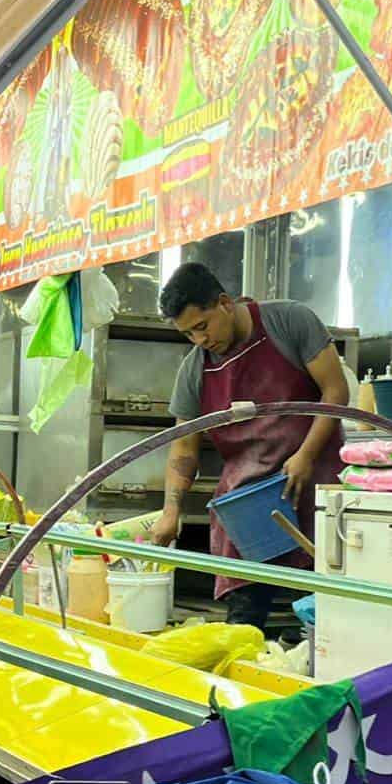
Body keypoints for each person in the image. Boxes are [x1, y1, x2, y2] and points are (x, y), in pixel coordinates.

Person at [151, 262, 347, 629]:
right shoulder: (195, 370)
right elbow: (183, 449)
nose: (200, 340)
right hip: (249, 503)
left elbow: (335, 391)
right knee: (244, 621)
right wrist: (170, 510)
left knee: (331, 610)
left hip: (314, 487)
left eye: (202, 326)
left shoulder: (289, 321)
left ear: (224, 302)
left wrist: (305, 455)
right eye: (188, 334)